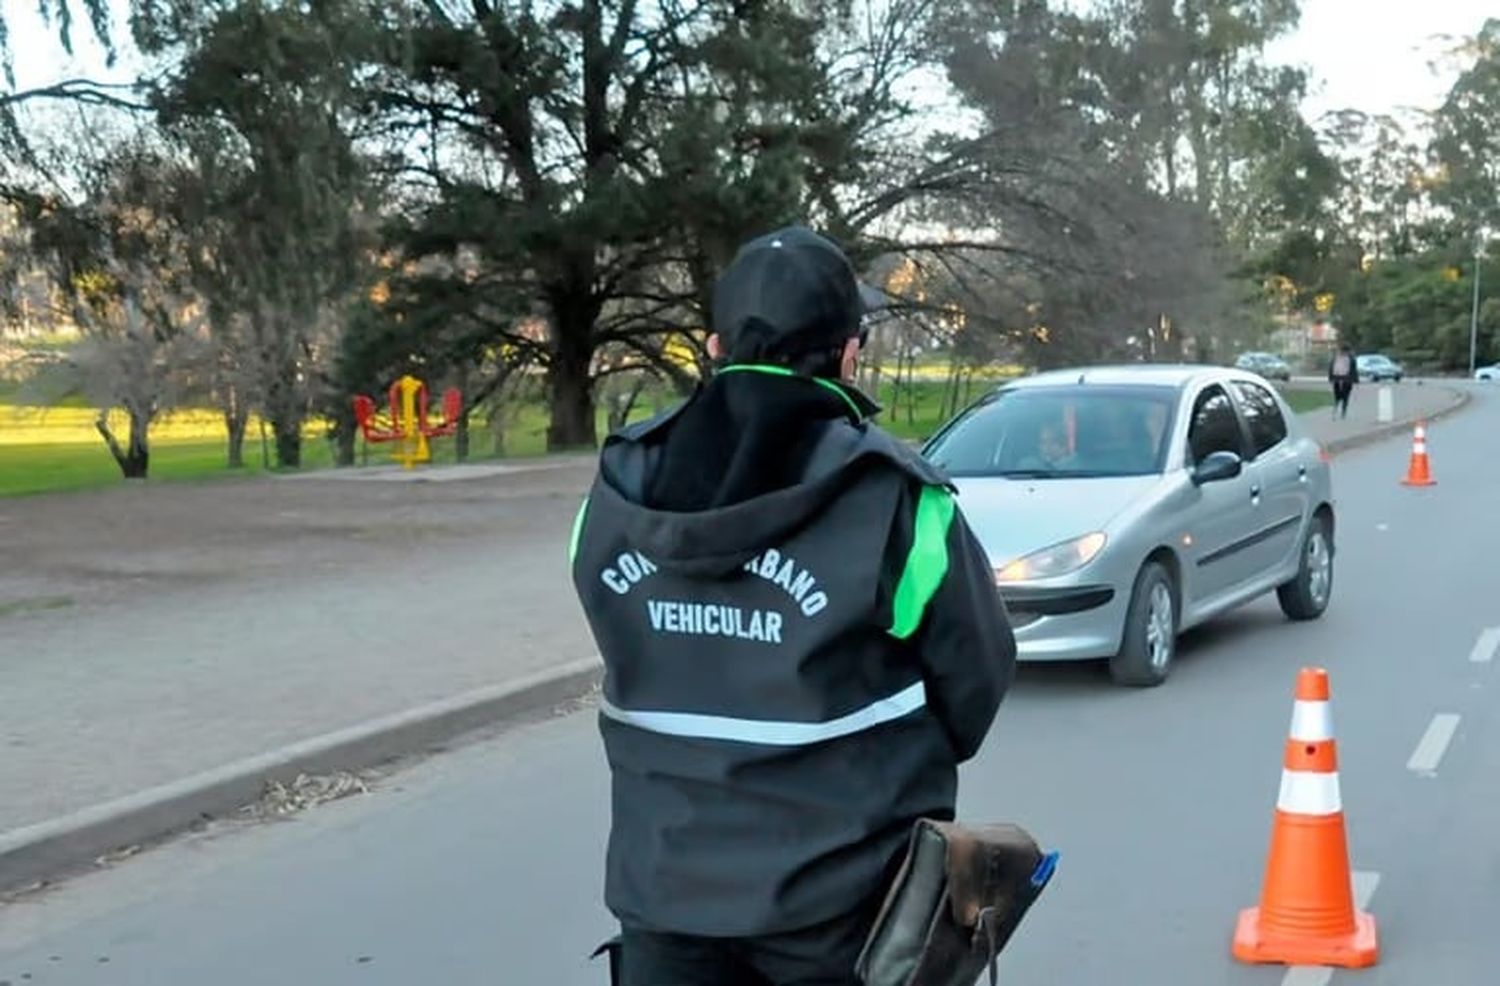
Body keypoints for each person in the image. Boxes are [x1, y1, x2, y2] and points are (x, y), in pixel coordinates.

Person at [570, 225, 1017, 986]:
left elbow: (623, 638)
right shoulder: (899, 502)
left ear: (714, 348)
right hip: (842, 910)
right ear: (847, 356)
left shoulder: (614, 494)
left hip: (661, 900)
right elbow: (973, 686)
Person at [1328, 345, 1359, 420]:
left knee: (1338, 397)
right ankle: (1342, 412)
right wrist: (1356, 380)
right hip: (1345, 380)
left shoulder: (1335, 358)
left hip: (1338, 380)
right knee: (1345, 397)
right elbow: (1354, 370)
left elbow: (1331, 368)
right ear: (1348, 351)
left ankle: (1336, 412)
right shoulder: (1351, 359)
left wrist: (1331, 378)